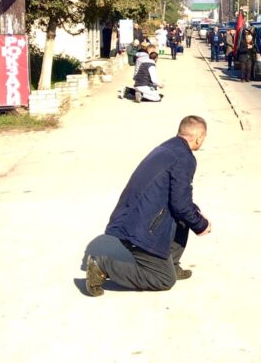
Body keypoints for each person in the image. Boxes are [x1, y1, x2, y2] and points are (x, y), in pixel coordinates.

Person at [84, 116, 212, 295]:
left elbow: (180, 201)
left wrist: (195, 214)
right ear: (199, 137)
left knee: (187, 216)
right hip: (138, 228)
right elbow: (181, 205)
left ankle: (170, 264)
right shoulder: (185, 158)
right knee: (165, 280)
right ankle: (102, 267)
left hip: (133, 218)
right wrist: (201, 224)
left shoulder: (167, 148)